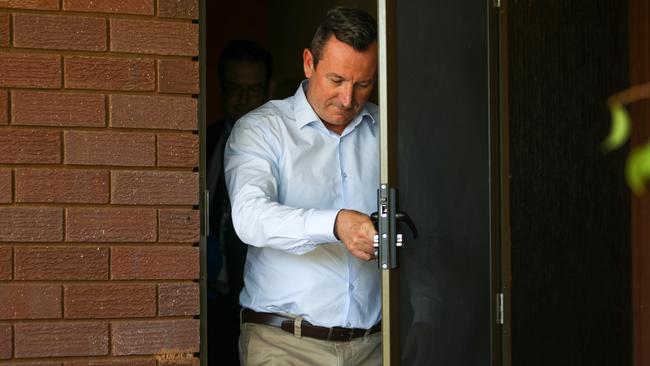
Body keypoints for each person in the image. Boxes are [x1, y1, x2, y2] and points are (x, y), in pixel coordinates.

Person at [224, 7, 381, 365]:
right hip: (284, 345)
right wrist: (336, 223)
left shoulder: (389, 132)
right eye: (336, 80)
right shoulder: (260, 129)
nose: (347, 100)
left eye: (362, 84)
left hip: (377, 345)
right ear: (309, 64)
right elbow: (250, 217)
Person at [206, 39, 272, 366]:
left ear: (269, 90)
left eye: (254, 90)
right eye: (234, 89)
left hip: (260, 301)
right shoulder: (205, 140)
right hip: (209, 298)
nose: (243, 101)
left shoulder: (283, 148)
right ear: (220, 88)